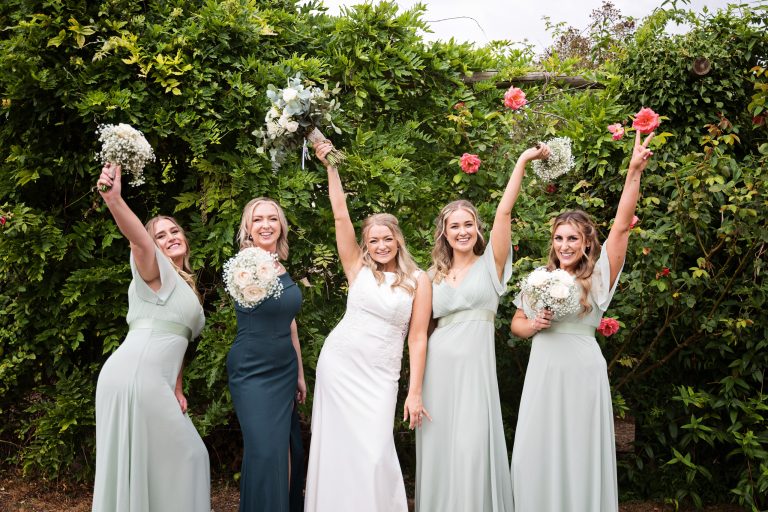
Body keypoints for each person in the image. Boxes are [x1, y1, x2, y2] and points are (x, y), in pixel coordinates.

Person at [509, 130, 655, 512]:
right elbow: (517, 325)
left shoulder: (599, 276)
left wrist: (634, 172)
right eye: (559, 238)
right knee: (536, 449)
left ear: (587, 243)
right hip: (545, 369)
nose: (565, 245)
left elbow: (622, 226)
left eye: (573, 238)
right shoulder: (539, 278)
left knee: (578, 445)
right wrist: (535, 324)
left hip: (581, 370)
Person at [415, 144, 550, 512]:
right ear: (444, 233)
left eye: (468, 224)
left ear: (478, 229)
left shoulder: (491, 263)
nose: (462, 231)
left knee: (472, 446)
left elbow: (505, 211)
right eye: (454, 226)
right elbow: (419, 334)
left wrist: (522, 160)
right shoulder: (430, 276)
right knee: (441, 446)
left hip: (475, 372)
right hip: (438, 372)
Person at [304, 140, 432, 512]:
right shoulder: (357, 270)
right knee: (339, 447)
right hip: (340, 365)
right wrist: (331, 165)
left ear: (398, 240)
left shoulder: (418, 279)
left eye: (386, 238)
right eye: (373, 240)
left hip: (381, 374)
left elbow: (418, 337)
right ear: (366, 244)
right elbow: (340, 216)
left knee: (375, 450)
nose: (380, 245)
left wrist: (415, 391)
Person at [92, 163, 209, 512]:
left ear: (185, 238)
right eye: (161, 235)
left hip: (153, 379)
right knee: (192, 454)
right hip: (134, 376)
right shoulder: (154, 271)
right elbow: (139, 241)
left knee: (168, 462)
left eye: (175, 231)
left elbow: (178, 342)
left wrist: (177, 385)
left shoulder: (185, 285)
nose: (170, 237)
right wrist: (114, 200)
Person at [227, 196, 306, 512]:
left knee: (287, 450)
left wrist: (299, 373)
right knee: (265, 451)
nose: (266, 225)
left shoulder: (281, 266)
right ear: (248, 226)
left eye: (272, 218)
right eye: (258, 219)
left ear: (281, 225)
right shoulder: (245, 264)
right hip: (252, 369)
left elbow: (290, 324)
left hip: (284, 369)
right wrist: (258, 260)